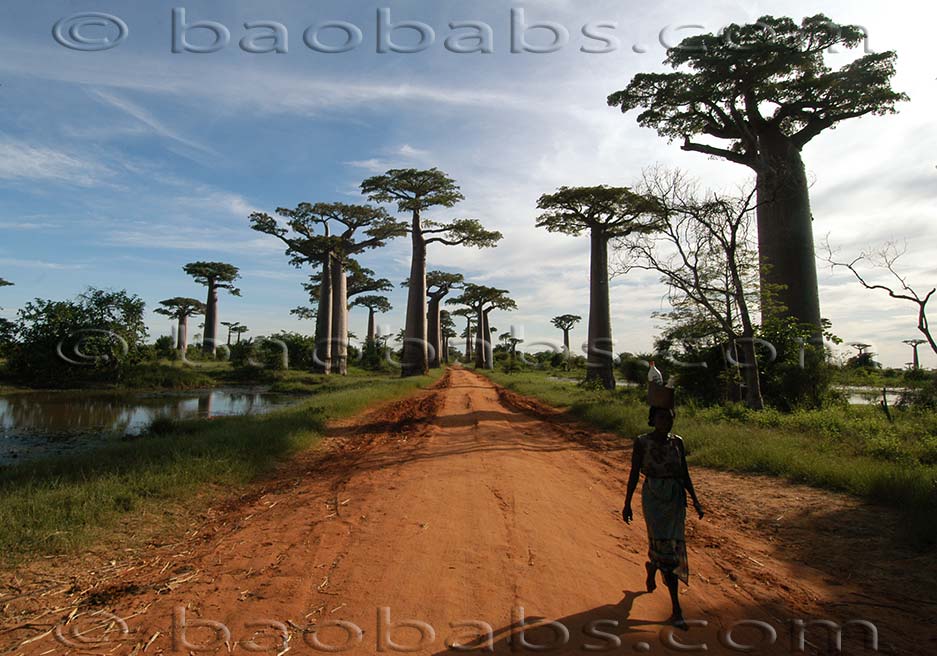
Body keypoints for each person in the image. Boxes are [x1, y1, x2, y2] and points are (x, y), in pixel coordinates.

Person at [622, 406, 704, 627]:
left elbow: (684, 472)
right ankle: (676, 608)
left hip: (675, 498)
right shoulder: (642, 442)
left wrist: (695, 500)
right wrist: (627, 503)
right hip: (654, 499)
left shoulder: (677, 442)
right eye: (661, 417)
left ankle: (657, 571)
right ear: (652, 419)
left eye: (669, 417)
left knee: (673, 548)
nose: (666, 421)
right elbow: (633, 473)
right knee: (664, 546)